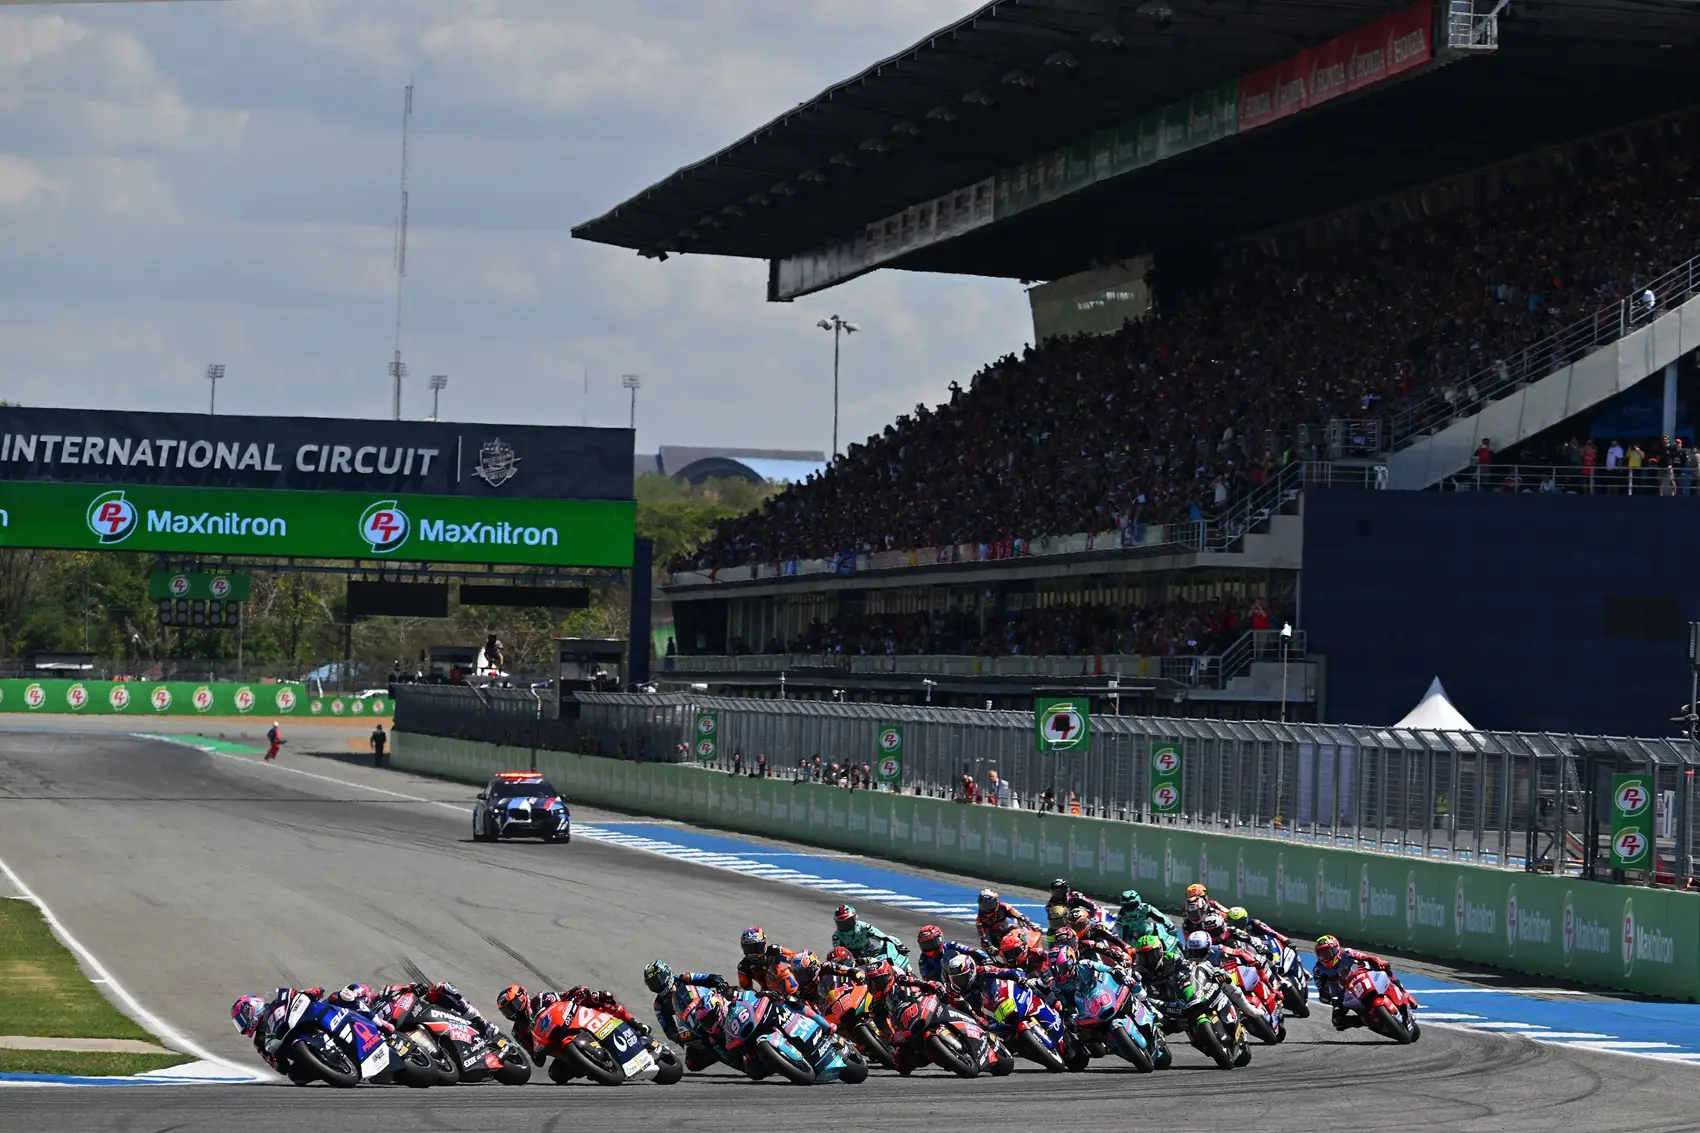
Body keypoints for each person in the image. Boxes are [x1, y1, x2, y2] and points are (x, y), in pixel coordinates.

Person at [644, 961, 733, 1071]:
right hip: (694, 1027)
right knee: (692, 1063)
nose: (657, 986)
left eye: (658, 980)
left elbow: (713, 978)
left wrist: (721, 983)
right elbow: (668, 1028)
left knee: (733, 995)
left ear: (667, 974)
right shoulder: (659, 1004)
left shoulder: (685, 978)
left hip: (714, 1010)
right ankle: (720, 1054)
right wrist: (679, 1037)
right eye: (652, 984)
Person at [232, 986, 329, 1081]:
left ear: (250, 1009)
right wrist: (277, 1060)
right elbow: (281, 1068)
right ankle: (330, 1072)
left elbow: (295, 996)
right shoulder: (259, 1042)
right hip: (300, 1050)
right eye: (239, 1023)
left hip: (306, 1020)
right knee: (296, 1076)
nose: (243, 1025)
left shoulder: (276, 1002)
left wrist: (309, 993)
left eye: (242, 1019)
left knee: (334, 998)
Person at [1312, 934, 1399, 1031]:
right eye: (1321, 954)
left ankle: (1398, 985)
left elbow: (1365, 957)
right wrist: (1329, 998)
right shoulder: (1318, 970)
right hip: (1342, 995)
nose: (1324, 957)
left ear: (1336, 949)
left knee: (1384, 967)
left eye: (1327, 952)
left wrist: (1378, 961)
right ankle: (1365, 1021)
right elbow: (1322, 990)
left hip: (1360, 979)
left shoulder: (1347, 953)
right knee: (1337, 1021)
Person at [374, 980, 503, 1044]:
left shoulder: (382, 994)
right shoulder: (367, 1019)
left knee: (441, 988)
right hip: (400, 1031)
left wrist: (415, 987)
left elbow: (403, 988)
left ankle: (481, 1022)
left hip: (420, 1010)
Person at [830, 904, 909, 966]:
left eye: (847, 922)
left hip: (869, 951)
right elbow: (838, 951)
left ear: (854, 918)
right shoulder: (837, 936)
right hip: (853, 958)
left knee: (890, 942)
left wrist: (899, 945)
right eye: (841, 923)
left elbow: (880, 935)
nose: (845, 925)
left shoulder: (863, 926)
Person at [914, 924, 988, 984]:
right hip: (947, 986)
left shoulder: (950, 945)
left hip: (967, 973)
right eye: (925, 945)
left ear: (939, 939)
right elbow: (926, 980)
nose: (928, 948)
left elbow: (972, 950)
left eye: (930, 944)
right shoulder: (923, 960)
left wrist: (986, 958)